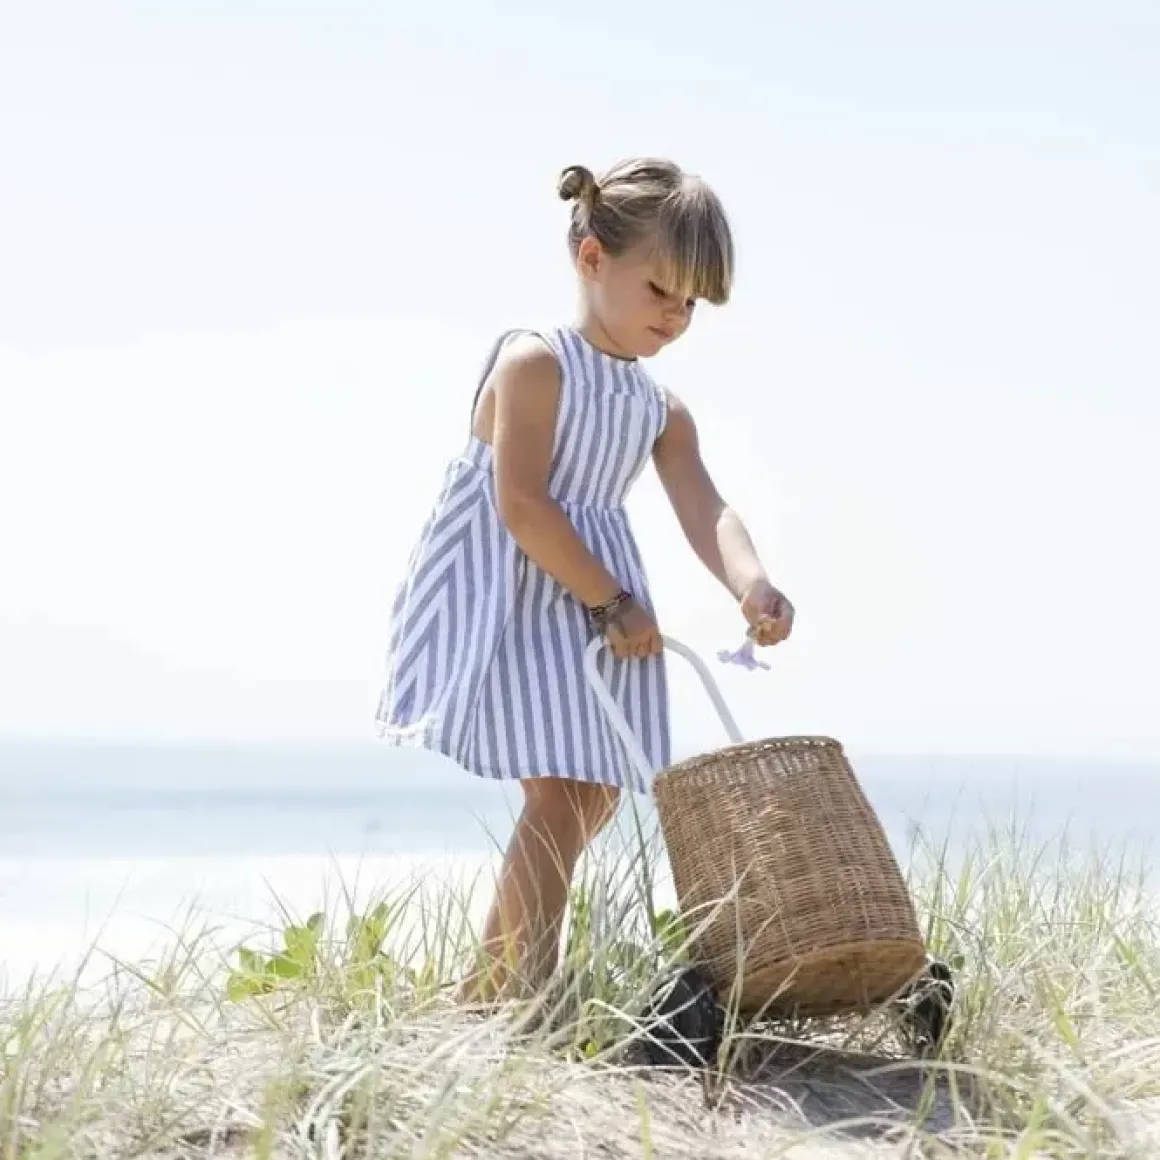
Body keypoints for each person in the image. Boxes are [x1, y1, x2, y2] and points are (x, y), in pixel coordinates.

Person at [375, 157, 794, 1002]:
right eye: (660, 291)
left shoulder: (659, 406)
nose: (674, 317)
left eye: (690, 305)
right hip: (522, 587)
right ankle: (515, 992)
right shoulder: (536, 365)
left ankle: (491, 984)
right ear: (593, 257)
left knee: (592, 795)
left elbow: (705, 505)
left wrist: (750, 583)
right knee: (563, 796)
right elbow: (523, 505)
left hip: (604, 598)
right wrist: (606, 598)